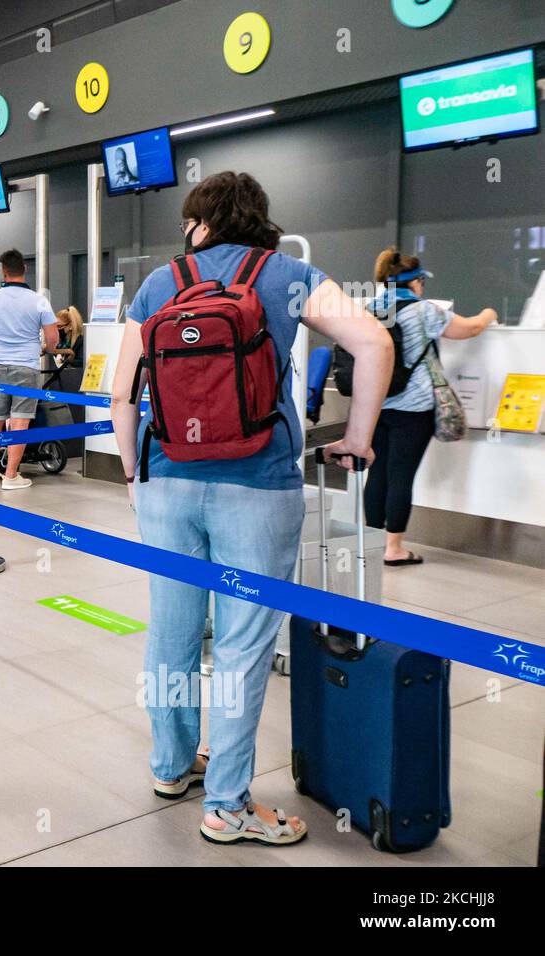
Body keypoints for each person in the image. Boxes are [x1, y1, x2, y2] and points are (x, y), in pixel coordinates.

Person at [109, 171, 393, 848]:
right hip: (259, 484)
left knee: (171, 632)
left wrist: (132, 472)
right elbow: (375, 344)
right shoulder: (287, 272)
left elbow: (121, 395)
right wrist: (357, 437)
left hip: (166, 479)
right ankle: (228, 806)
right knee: (241, 646)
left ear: (199, 223)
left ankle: (173, 766)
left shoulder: (159, 284)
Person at [363, 248, 496, 567]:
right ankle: (394, 548)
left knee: (377, 473)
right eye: (422, 281)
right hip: (415, 406)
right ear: (415, 281)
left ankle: (369, 544)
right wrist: (489, 314)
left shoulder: (370, 309)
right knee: (401, 475)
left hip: (377, 404)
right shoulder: (424, 311)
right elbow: (469, 329)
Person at [0, 249, 59, 490]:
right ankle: (11, 475)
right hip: (27, 367)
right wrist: (46, 348)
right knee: (20, 422)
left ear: (4, 272)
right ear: (25, 269)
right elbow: (53, 336)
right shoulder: (39, 300)